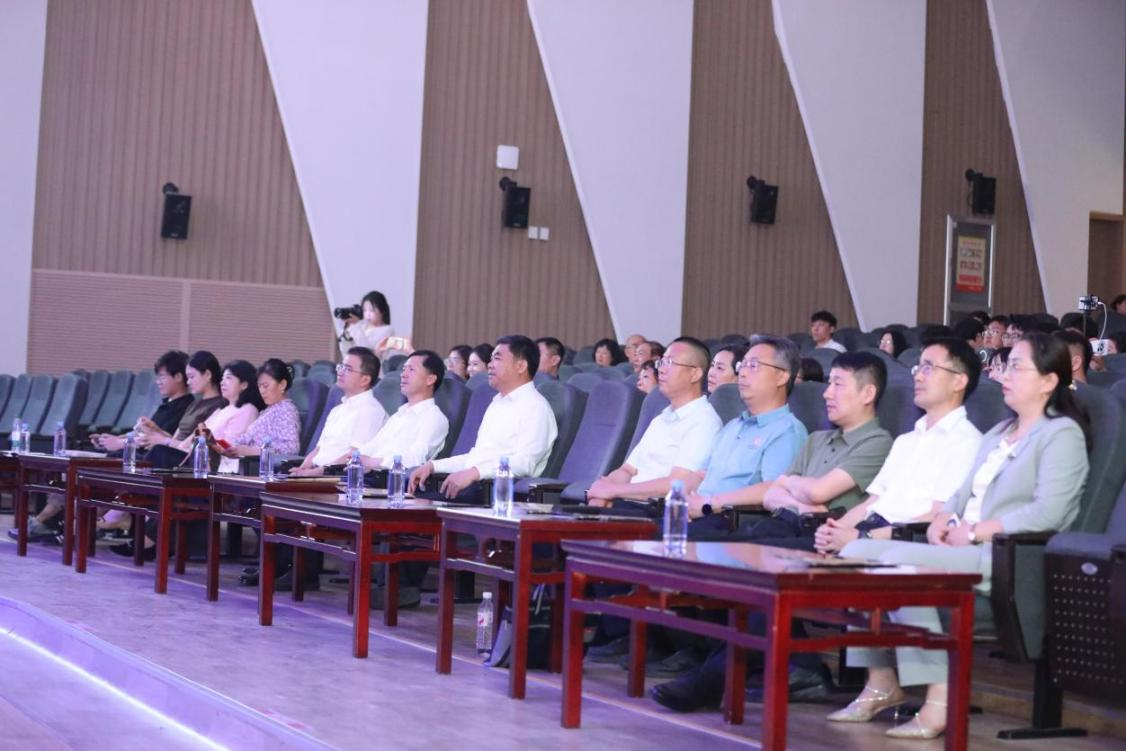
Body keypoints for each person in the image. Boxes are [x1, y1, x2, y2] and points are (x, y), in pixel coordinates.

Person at [833, 332, 1090, 739]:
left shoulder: (1061, 434)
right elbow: (959, 495)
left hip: (1007, 556)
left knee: (890, 560)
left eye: (1016, 367)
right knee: (859, 553)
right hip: (965, 546)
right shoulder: (999, 432)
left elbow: (1049, 512)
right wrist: (942, 520)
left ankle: (941, 698)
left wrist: (974, 531)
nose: (1004, 375)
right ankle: (881, 682)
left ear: (1048, 380)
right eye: (1004, 367)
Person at [651, 351, 894, 712]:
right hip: (784, 522)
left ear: (868, 393)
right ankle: (786, 666)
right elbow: (775, 491)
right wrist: (802, 496)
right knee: (712, 551)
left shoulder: (877, 442)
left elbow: (816, 492)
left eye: (837, 385)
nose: (826, 393)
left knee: (751, 565)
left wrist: (799, 491)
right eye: (828, 383)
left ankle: (713, 679)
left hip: (822, 536)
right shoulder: (817, 439)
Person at [814, 338, 984, 554]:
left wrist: (861, 538)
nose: (918, 376)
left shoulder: (967, 442)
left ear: (959, 382)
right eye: (918, 368)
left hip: (900, 543)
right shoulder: (905, 440)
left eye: (928, 368)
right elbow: (871, 503)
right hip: (868, 531)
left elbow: (937, 516)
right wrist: (835, 530)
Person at [408, 335, 557, 502]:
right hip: (478, 487)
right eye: (491, 359)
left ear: (521, 366)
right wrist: (433, 466)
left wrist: (475, 473)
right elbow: (475, 458)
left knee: (415, 507)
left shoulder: (536, 407)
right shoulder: (497, 403)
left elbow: (525, 464)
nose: (490, 365)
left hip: (499, 495)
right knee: (409, 501)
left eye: (497, 359)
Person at [586, 337, 722, 505]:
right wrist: (601, 494)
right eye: (661, 363)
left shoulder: (704, 422)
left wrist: (613, 491)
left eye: (670, 363)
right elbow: (627, 470)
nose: (661, 370)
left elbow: (677, 485)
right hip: (626, 503)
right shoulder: (661, 418)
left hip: (656, 510)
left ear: (695, 374)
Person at [685, 335, 808, 520]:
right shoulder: (733, 426)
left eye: (754, 365)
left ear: (781, 376)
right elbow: (701, 474)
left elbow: (775, 489)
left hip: (731, 523)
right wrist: (679, 500)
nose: (742, 373)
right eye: (742, 365)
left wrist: (710, 504)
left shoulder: (787, 431)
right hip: (696, 514)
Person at [290, 347, 386, 473]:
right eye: (341, 367)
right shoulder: (337, 410)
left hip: (336, 476)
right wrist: (302, 470)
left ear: (365, 380)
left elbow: (354, 456)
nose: (340, 372)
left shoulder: (370, 410)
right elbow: (318, 449)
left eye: (348, 369)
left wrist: (314, 473)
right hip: (317, 474)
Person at [90, 350, 194, 452]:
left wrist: (119, 443)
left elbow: (157, 439)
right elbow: (143, 433)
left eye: (162, 377)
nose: (158, 382)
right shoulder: (167, 404)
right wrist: (110, 440)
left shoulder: (186, 407)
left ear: (178, 377)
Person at [139, 351, 227, 467]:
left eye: (192, 377)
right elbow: (175, 438)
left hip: (189, 458)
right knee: (134, 452)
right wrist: (156, 431)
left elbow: (195, 444)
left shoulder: (218, 406)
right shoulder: (194, 404)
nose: (188, 382)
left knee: (158, 452)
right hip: (175, 450)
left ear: (207, 375)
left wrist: (164, 441)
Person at [217, 359, 300, 472]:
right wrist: (231, 447)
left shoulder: (286, 411)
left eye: (266, 386)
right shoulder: (269, 410)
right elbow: (246, 438)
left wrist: (252, 451)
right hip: (250, 467)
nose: (262, 391)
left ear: (282, 385)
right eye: (259, 386)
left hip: (263, 471)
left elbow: (290, 449)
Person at [337, 290, 393, 358]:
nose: (368, 314)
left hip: (371, 364)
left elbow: (367, 352)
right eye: (365, 310)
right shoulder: (361, 325)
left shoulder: (387, 330)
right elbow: (346, 351)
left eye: (371, 310)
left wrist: (356, 325)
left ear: (382, 311)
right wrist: (345, 333)